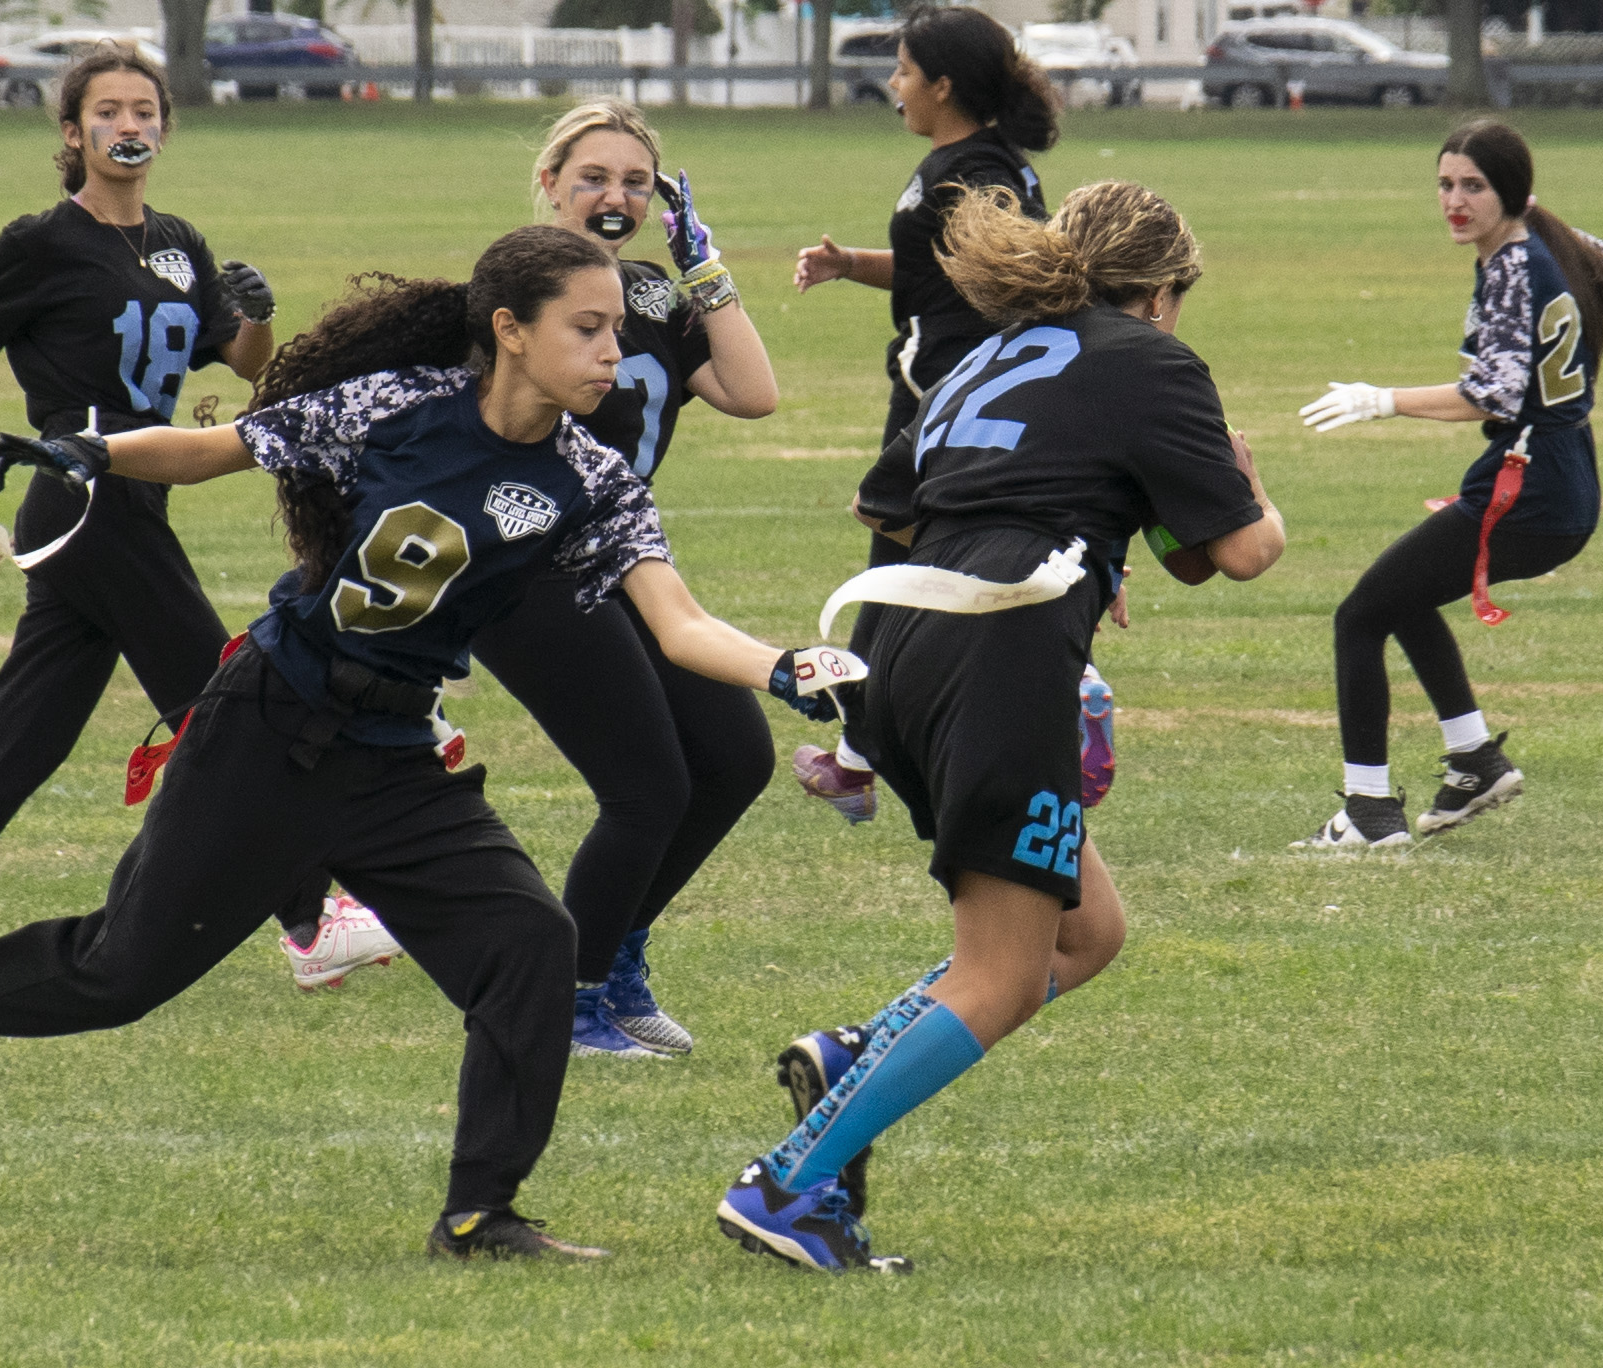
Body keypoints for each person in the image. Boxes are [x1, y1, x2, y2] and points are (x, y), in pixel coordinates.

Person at [0, 225, 866, 1262]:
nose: (614, 351)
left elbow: (678, 624)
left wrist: (781, 665)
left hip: (395, 756)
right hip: (264, 729)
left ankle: (477, 1215)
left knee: (527, 943)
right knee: (117, 975)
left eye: (613, 332)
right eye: (585, 329)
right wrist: (90, 451)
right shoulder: (395, 406)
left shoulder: (592, 477)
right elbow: (215, 449)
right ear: (507, 330)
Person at [717, 183, 1286, 1272]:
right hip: (1000, 651)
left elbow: (893, 504)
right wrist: (1255, 493)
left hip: (898, 641)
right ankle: (788, 1188)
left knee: (1086, 932)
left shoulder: (990, 350)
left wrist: (1085, 534)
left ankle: (857, 1056)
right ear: (1161, 292)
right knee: (1001, 973)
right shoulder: (1150, 359)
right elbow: (1241, 552)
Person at [0, 47, 399, 992]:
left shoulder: (177, 241)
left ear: (164, 126)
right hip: (82, 496)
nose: (131, 124)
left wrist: (255, 313)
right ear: (73, 134)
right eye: (108, 110)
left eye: (145, 109)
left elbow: (245, 365)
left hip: (132, 490)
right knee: (225, 705)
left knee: (24, 733)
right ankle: (310, 917)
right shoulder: (39, 241)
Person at [476, 100, 779, 1058]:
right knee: (647, 787)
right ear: (550, 182)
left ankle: (615, 959)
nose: (616, 196)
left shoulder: (648, 297)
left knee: (734, 761)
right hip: (532, 572)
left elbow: (753, 395)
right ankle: (564, 998)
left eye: (636, 182)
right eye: (595, 177)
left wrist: (706, 270)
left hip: (626, 562)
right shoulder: (512, 293)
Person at [783, 5, 1105, 823]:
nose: (893, 85)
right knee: (918, 564)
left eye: (901, 70)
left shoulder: (970, 173)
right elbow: (947, 266)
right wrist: (849, 263)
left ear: (942, 84)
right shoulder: (972, 164)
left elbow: (1007, 284)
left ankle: (1062, 692)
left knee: (896, 560)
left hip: (945, 394)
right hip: (955, 388)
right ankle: (859, 757)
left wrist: (969, 379)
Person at [1294, 120, 1603, 850]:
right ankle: (1474, 761)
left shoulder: (1517, 264)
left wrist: (1379, 398)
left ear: (1509, 191)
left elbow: (1491, 396)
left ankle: (1368, 812)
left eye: (1472, 186)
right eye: (1445, 184)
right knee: (1401, 596)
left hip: (1531, 486)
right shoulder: (1551, 240)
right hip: (1559, 477)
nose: (1453, 200)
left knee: (1358, 616)